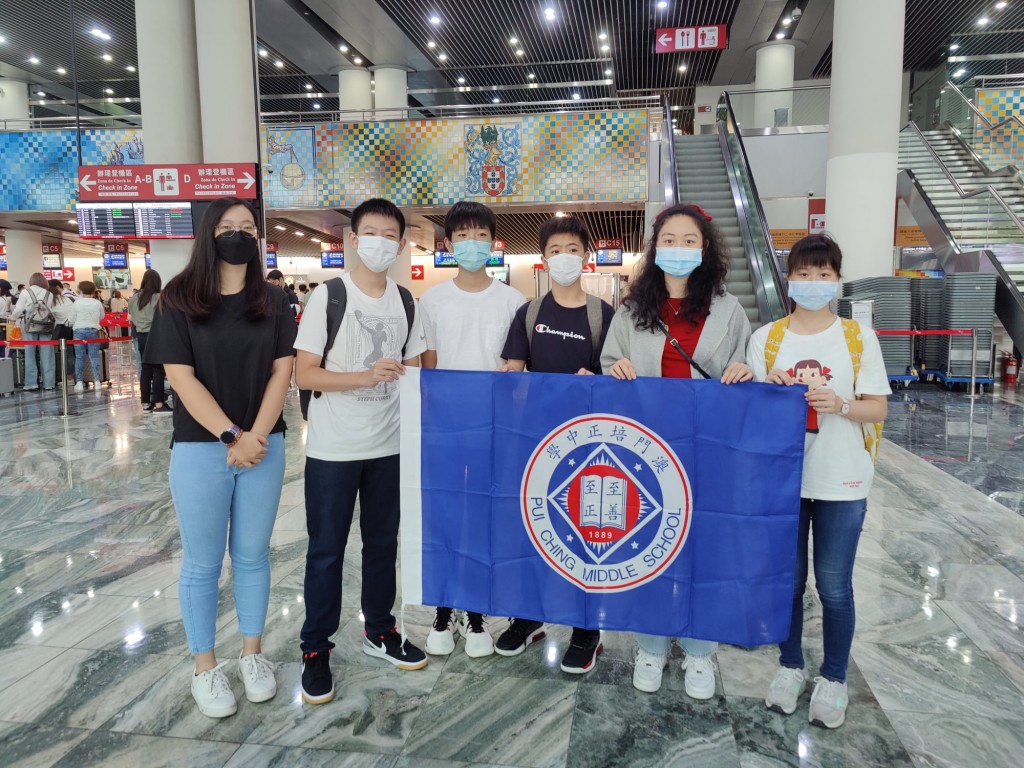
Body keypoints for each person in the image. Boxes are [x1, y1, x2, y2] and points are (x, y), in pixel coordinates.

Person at [145, 196, 295, 719]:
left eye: (248, 227)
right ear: (208, 234)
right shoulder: (178, 298)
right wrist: (234, 436)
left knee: (253, 555)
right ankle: (204, 667)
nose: (239, 234)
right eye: (228, 226)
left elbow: (282, 370)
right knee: (203, 562)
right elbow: (180, 378)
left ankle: (252, 655)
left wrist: (256, 436)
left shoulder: (273, 299)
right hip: (201, 447)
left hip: (264, 446)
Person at [600, 202, 753, 699]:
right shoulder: (632, 311)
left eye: (689, 240)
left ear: (705, 248)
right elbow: (609, 362)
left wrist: (744, 371)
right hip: (647, 451)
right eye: (669, 240)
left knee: (703, 551)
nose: (679, 249)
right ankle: (650, 643)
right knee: (649, 545)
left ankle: (700, 649)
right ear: (655, 247)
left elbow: (744, 365)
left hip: (707, 450)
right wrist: (615, 369)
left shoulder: (728, 310)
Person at [749, 234, 890, 729]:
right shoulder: (766, 339)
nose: (814, 282)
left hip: (842, 479)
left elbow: (878, 408)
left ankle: (834, 678)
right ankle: (791, 666)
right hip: (784, 482)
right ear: (789, 280)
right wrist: (767, 391)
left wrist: (842, 405)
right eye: (804, 274)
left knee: (834, 587)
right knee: (788, 584)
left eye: (824, 274)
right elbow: (751, 417)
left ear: (837, 280)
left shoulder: (857, 338)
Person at [294, 198, 428, 706]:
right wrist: (365, 377)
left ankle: (380, 629)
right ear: (352, 239)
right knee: (326, 549)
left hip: (389, 445)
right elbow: (304, 373)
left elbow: (419, 370)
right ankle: (315, 647)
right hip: (333, 448)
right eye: (370, 233)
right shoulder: (329, 296)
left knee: (382, 543)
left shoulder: (406, 302)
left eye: (389, 235)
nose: (379, 242)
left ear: (402, 244)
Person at [497, 215, 615, 673]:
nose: (564, 257)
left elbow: (618, 375)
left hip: (588, 444)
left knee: (586, 531)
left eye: (572, 249)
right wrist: (507, 380)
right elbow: (513, 370)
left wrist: (597, 378)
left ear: (585, 256)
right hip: (537, 442)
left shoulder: (603, 314)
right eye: (555, 250)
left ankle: (587, 627)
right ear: (544, 259)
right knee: (533, 527)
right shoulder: (529, 313)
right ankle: (530, 616)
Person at [418, 200, 525, 659]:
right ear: (448, 243)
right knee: (445, 517)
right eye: (462, 235)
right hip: (444, 429)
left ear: (494, 242)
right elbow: (427, 368)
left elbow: (519, 370)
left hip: (494, 429)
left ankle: (476, 611)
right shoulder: (432, 301)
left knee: (483, 519)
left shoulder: (513, 301)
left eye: (480, 235)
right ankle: (443, 610)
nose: (471, 243)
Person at [129, 269, 170, 413]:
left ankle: (145, 403)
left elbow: (131, 316)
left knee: (145, 369)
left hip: (141, 336)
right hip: (157, 335)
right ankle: (159, 404)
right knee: (158, 370)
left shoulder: (135, 298)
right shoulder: (160, 297)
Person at [10, 272, 56, 391]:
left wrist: (13, 317)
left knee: (29, 353)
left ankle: (31, 383)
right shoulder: (49, 293)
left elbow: (19, 309)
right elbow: (50, 310)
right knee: (47, 354)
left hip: (29, 325)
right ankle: (49, 383)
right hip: (46, 325)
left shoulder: (25, 292)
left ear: (31, 281)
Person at [72, 281, 107, 393]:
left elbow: (72, 318)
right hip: (93, 330)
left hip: (78, 331)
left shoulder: (76, 303)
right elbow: (102, 316)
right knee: (94, 357)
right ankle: (97, 382)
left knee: (79, 357)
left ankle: (79, 383)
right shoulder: (97, 303)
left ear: (80, 290)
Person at [48, 279, 76, 383]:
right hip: (73, 327)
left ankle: (68, 378)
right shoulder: (67, 298)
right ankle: (73, 377)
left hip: (62, 329)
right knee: (72, 354)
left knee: (66, 354)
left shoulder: (51, 301)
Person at [0, 279, 13, 359]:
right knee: (9, 345)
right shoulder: (12, 298)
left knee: (1, 345)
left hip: (1, 323)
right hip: (10, 323)